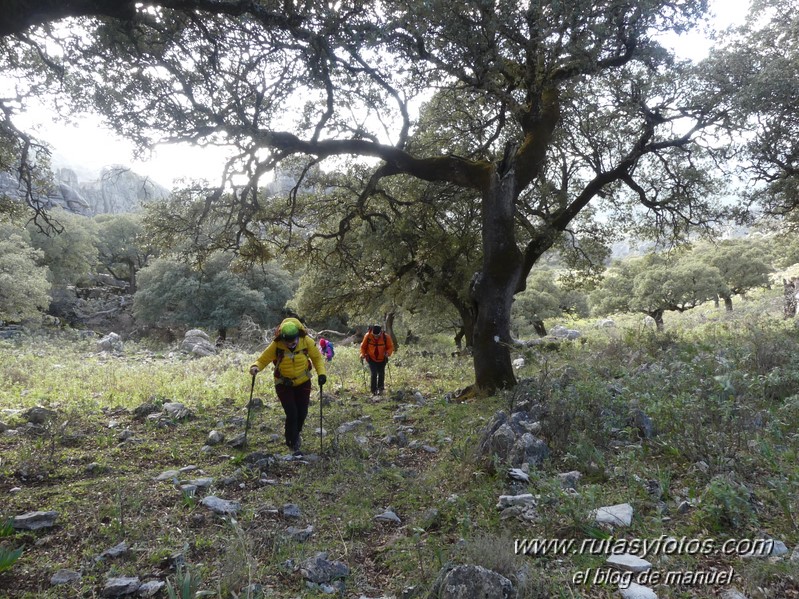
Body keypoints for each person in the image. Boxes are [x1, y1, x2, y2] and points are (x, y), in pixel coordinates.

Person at [249, 317, 326, 455]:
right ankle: (292, 441)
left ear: (298, 336)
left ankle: (295, 434)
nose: (291, 344)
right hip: (283, 383)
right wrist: (255, 367)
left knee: (302, 412)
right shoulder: (277, 344)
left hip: (303, 381)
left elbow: (317, 358)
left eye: (293, 341)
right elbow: (263, 359)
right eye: (288, 342)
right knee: (292, 413)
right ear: (282, 338)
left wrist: (321, 374)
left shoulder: (307, 341)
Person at [360, 324, 394, 395]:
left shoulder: (386, 337)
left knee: (381, 373)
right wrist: (362, 354)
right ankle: (373, 390)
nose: (375, 337)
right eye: (374, 335)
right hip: (371, 358)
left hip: (382, 358)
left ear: (380, 332)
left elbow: (390, 347)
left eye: (377, 335)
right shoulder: (368, 336)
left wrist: (388, 353)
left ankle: (380, 389)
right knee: (374, 373)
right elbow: (363, 347)